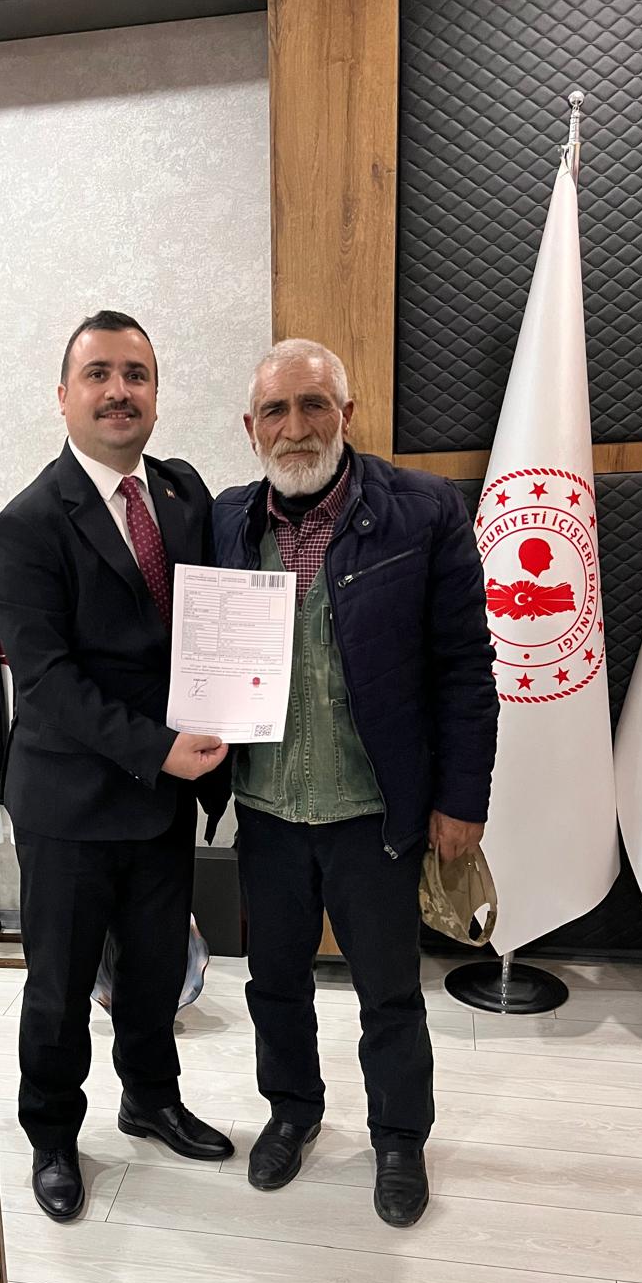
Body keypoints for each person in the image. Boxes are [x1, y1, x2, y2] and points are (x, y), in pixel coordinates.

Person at [213, 338, 498, 1226]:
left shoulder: (423, 510)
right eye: (276, 411)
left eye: (314, 405)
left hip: (374, 812)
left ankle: (400, 1137)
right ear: (251, 427)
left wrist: (462, 799)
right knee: (274, 984)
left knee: (388, 990)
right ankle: (293, 1112)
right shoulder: (227, 521)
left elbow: (464, 666)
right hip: (265, 810)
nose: (295, 427)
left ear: (347, 414)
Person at [0, 310, 233, 1221]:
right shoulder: (22, 528)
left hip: (162, 797)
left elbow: (217, 614)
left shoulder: (182, 493)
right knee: (59, 985)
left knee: (157, 967)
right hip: (71, 802)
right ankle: (53, 1134)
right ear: (64, 396)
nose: (118, 391)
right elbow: (48, 685)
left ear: (156, 396)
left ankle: (151, 1098)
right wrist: (160, 748)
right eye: (99, 374)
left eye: (136, 374)